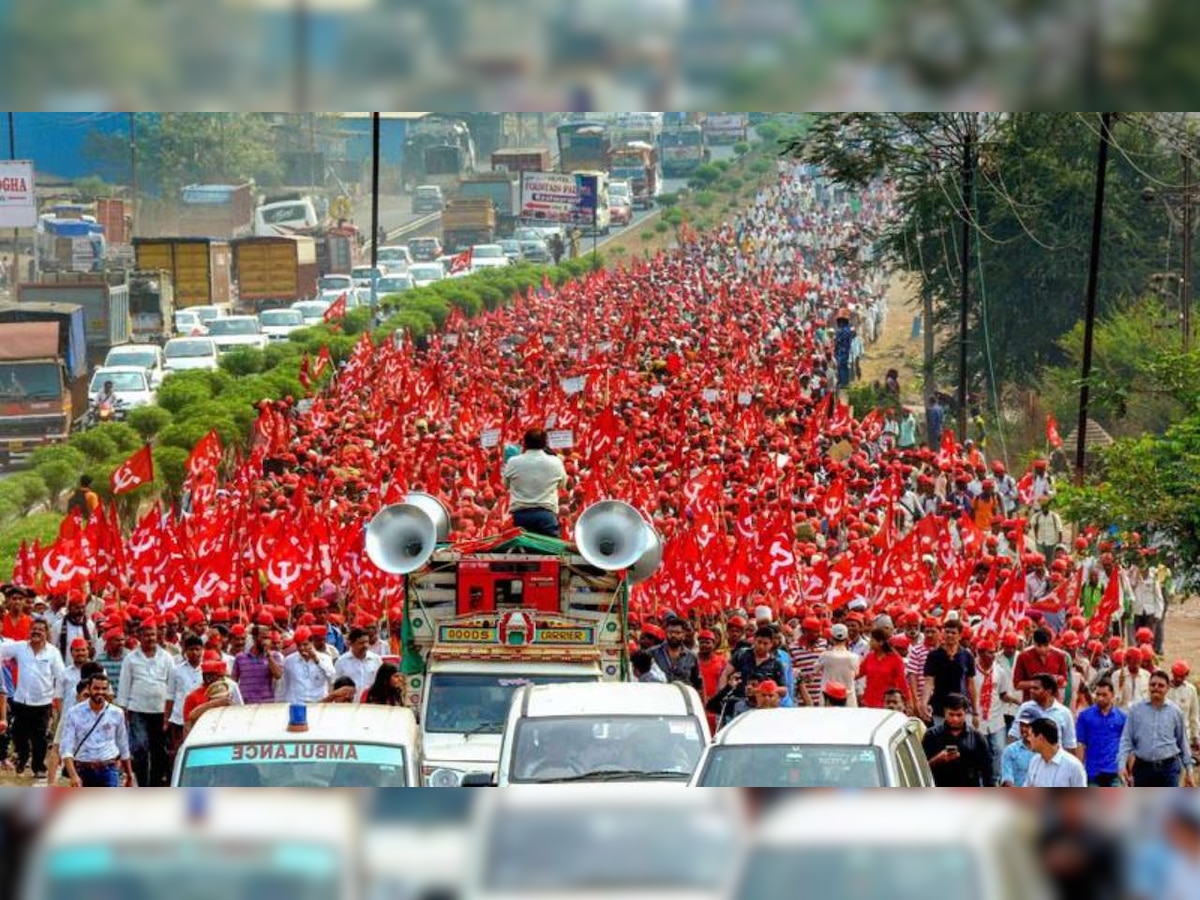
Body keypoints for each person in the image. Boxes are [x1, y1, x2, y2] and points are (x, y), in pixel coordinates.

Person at [0, 619, 65, 782]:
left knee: (40, 738)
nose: (36, 632)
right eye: (34, 629)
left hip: (43, 703)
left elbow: (61, 675)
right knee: (19, 736)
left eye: (40, 630)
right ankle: (22, 758)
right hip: (21, 701)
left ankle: (38, 767)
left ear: (46, 633)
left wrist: (57, 697)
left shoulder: (53, 653)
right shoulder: (20, 648)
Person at [116, 620, 174, 787]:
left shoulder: (167, 657)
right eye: (146, 635)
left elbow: (170, 688)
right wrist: (123, 711)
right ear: (139, 636)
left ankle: (155, 785)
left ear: (157, 636)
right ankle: (142, 783)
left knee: (158, 751)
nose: (150, 638)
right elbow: (124, 686)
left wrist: (167, 715)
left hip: (160, 711)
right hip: (137, 710)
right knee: (140, 748)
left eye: (153, 634)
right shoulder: (131, 658)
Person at [1120, 669, 1195, 787]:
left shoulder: (1175, 712)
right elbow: (1126, 739)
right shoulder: (1136, 710)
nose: (1156, 688)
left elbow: (1183, 743)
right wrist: (1121, 764)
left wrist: (1189, 771)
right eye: (1153, 684)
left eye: (1161, 685)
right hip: (1143, 768)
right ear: (1148, 686)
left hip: (1169, 769)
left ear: (1167, 688)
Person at [59, 673, 135, 788]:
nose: (100, 692)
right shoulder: (74, 713)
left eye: (104, 689)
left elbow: (123, 745)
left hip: (109, 769)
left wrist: (129, 775)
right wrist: (73, 775)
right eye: (96, 688)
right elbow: (66, 748)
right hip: (83, 769)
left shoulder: (117, 713)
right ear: (89, 689)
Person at [501, 428, 568, 538]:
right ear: (545, 443)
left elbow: (505, 485)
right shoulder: (556, 462)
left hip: (519, 517)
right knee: (552, 552)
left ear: (524, 443)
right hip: (546, 517)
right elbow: (562, 485)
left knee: (517, 552)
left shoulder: (513, 462)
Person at [972, 638, 1018, 785]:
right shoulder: (971, 673)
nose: (993, 655)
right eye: (989, 653)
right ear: (980, 653)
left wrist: (1017, 702)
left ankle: (995, 780)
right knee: (981, 752)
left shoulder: (1000, 672)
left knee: (999, 749)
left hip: (996, 718)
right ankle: (980, 781)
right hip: (977, 719)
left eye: (993, 652)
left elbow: (1003, 694)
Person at [921, 693, 993, 787]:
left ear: (965, 713)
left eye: (959, 715)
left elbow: (987, 770)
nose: (955, 719)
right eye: (951, 714)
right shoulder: (932, 735)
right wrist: (938, 759)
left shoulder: (977, 737)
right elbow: (921, 769)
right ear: (944, 712)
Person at [922, 618, 978, 728]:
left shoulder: (967, 656)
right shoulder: (934, 656)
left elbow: (971, 684)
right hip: (940, 707)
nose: (950, 635)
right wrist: (924, 703)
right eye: (947, 632)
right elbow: (929, 682)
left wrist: (975, 711)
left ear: (960, 635)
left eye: (953, 633)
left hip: (961, 707)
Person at [1009, 673, 1080, 756]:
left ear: (1048, 691)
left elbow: (1069, 745)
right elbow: (1014, 735)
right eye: (1031, 687)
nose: (1031, 690)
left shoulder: (1064, 713)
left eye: (1036, 688)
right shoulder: (1025, 708)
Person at [1076, 678, 1127, 787]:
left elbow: (1126, 745)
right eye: (1097, 694)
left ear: (1112, 695)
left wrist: (1127, 769)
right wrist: (1079, 769)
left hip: (1114, 771)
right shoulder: (1085, 716)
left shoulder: (1122, 717)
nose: (1100, 698)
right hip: (1092, 771)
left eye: (1104, 695)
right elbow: (1081, 744)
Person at [858, 627, 910, 710]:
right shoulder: (870, 657)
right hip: (869, 702)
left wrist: (908, 702)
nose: (870, 643)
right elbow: (858, 673)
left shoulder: (895, 659)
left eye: (872, 640)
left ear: (881, 642)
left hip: (887, 703)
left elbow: (902, 682)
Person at [1025, 718, 1087, 787]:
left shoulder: (1073, 766)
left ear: (1040, 738)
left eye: (1030, 735)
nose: (1028, 739)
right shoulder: (1034, 761)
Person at [1013, 627, 1070, 703]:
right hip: (1031, 704)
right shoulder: (1023, 656)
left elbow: (1065, 682)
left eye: (1046, 645)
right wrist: (1035, 683)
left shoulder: (1060, 655)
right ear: (1034, 643)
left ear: (1050, 642)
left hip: (1052, 704)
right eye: (1039, 646)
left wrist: (1056, 680)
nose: (1042, 649)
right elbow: (1017, 684)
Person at [232, 622, 284, 704]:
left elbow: (278, 675)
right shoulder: (240, 657)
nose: (266, 641)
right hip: (246, 704)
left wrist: (268, 656)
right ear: (254, 637)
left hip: (266, 703)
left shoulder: (275, 656)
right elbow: (233, 682)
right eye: (264, 638)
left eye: (268, 638)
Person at [649, 618, 704, 694]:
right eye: (670, 632)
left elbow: (698, 684)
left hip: (682, 700)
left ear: (683, 634)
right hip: (659, 697)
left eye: (677, 633)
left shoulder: (691, 657)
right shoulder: (653, 653)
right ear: (666, 632)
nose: (673, 635)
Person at [283, 627, 335, 703]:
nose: (302, 648)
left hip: (319, 702)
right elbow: (285, 684)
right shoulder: (289, 661)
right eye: (298, 645)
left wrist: (317, 661)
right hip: (296, 703)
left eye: (305, 644)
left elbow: (332, 677)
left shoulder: (325, 659)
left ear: (312, 642)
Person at [817, 624, 860, 707]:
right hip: (848, 699)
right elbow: (857, 673)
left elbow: (816, 669)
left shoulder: (825, 656)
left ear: (831, 638)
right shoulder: (854, 657)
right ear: (847, 638)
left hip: (828, 700)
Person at [334, 627, 382, 700]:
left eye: (367, 642)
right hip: (350, 705)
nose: (365, 646)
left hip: (371, 704)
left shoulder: (376, 660)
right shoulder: (341, 661)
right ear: (351, 644)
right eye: (361, 643)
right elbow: (335, 685)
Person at [1001, 706, 1042, 788]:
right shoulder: (1010, 750)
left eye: (1027, 726)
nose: (1023, 729)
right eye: (1021, 725)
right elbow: (1007, 778)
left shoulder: (1044, 751)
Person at [1168, 660, 1200, 761]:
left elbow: (1193, 716)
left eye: (1181, 676)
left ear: (1186, 675)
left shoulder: (1191, 690)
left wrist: (1195, 737)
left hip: (1185, 734)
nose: (1178, 679)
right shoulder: (1165, 689)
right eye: (1176, 675)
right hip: (1167, 734)